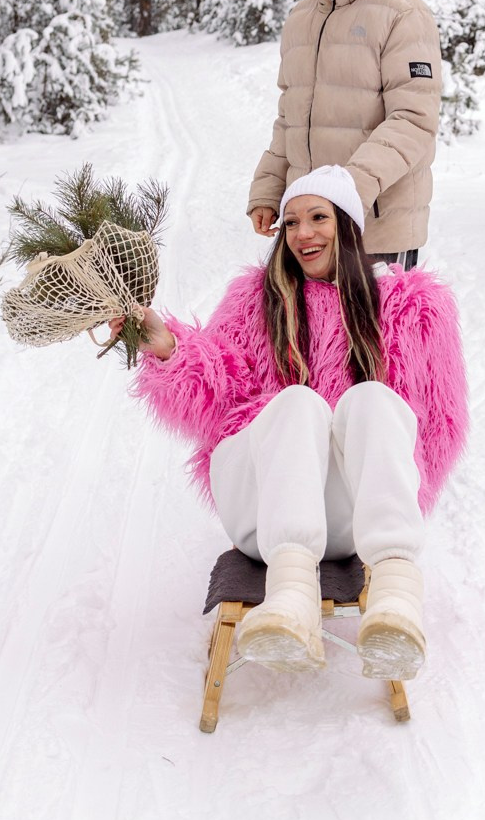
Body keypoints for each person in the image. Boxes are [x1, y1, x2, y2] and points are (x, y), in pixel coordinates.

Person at [120, 165, 467, 679]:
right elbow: (217, 386)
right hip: (263, 505)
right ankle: (289, 598)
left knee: (373, 399)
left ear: (346, 225)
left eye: (318, 217)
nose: (303, 233)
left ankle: (396, 598)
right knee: (299, 403)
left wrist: (390, 491)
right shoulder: (252, 300)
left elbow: (436, 429)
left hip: (352, 517)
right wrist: (167, 348)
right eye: (291, 223)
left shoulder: (411, 310)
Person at [247, 0, 442, 269]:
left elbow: (414, 120)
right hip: (309, 231)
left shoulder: (402, 12)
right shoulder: (302, 17)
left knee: (371, 332)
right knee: (302, 332)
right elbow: (291, 117)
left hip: (376, 231)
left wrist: (345, 190)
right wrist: (269, 188)